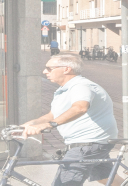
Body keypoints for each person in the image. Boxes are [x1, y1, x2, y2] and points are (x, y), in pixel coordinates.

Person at [19, 53, 117, 186]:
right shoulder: (65, 89)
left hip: (87, 144)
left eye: (49, 68)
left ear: (66, 69)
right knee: (106, 178)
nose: (44, 71)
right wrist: (31, 124)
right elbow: (52, 115)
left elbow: (80, 108)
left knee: (63, 183)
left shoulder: (80, 86)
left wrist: (50, 125)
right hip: (92, 143)